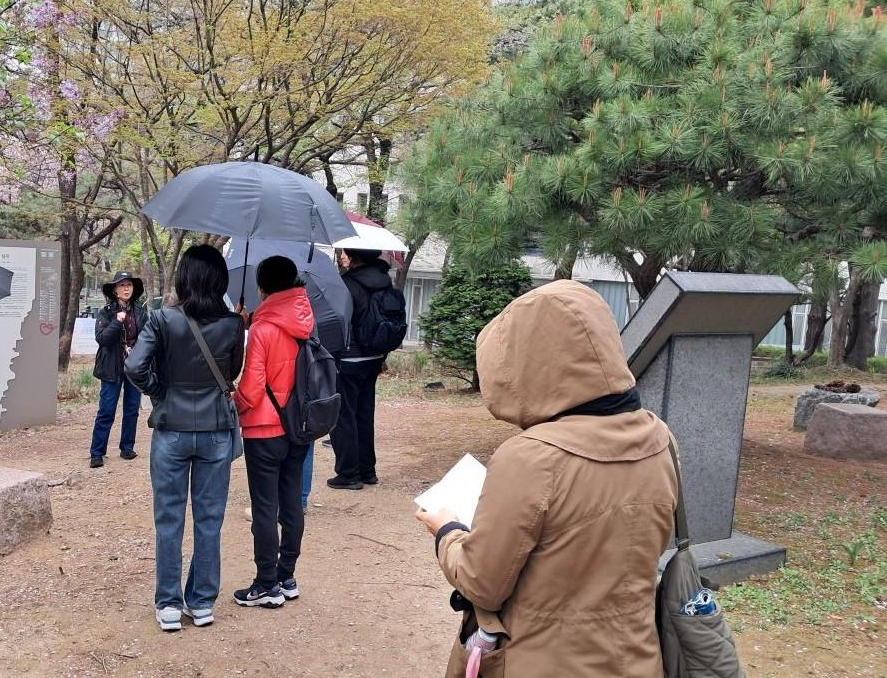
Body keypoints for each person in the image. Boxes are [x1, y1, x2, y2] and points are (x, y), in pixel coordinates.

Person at [415, 280, 677, 678]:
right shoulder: (660, 438)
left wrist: (447, 530)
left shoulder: (532, 456)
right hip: (637, 657)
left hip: (543, 660)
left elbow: (482, 582)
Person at [125, 245, 245, 633]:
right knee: (210, 520)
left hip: (171, 430)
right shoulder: (232, 324)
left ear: (184, 277)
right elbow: (233, 372)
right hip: (215, 432)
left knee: (169, 519)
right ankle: (203, 602)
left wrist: (159, 391)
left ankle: (169, 605)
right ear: (219, 280)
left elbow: (134, 366)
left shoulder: (161, 319)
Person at [232, 256, 314, 608]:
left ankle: (266, 583)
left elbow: (251, 389)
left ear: (264, 287)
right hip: (299, 426)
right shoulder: (307, 322)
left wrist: (232, 403)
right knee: (292, 501)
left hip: (265, 430)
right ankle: (287, 575)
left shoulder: (263, 329)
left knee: (265, 507)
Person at [327, 248, 398, 490]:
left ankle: (348, 473)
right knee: (364, 414)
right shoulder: (385, 282)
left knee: (344, 415)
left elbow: (339, 320)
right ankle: (368, 471)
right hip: (374, 356)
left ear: (354, 257)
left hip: (349, 358)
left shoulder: (347, 284)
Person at [90, 271, 148, 468]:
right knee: (106, 410)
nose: (126, 288)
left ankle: (127, 447)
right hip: (111, 367)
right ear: (114, 290)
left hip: (133, 368)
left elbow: (147, 339)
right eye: (122, 285)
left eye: (129, 285)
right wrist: (117, 321)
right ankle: (97, 452)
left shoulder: (140, 312)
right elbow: (102, 339)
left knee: (132, 409)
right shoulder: (106, 312)